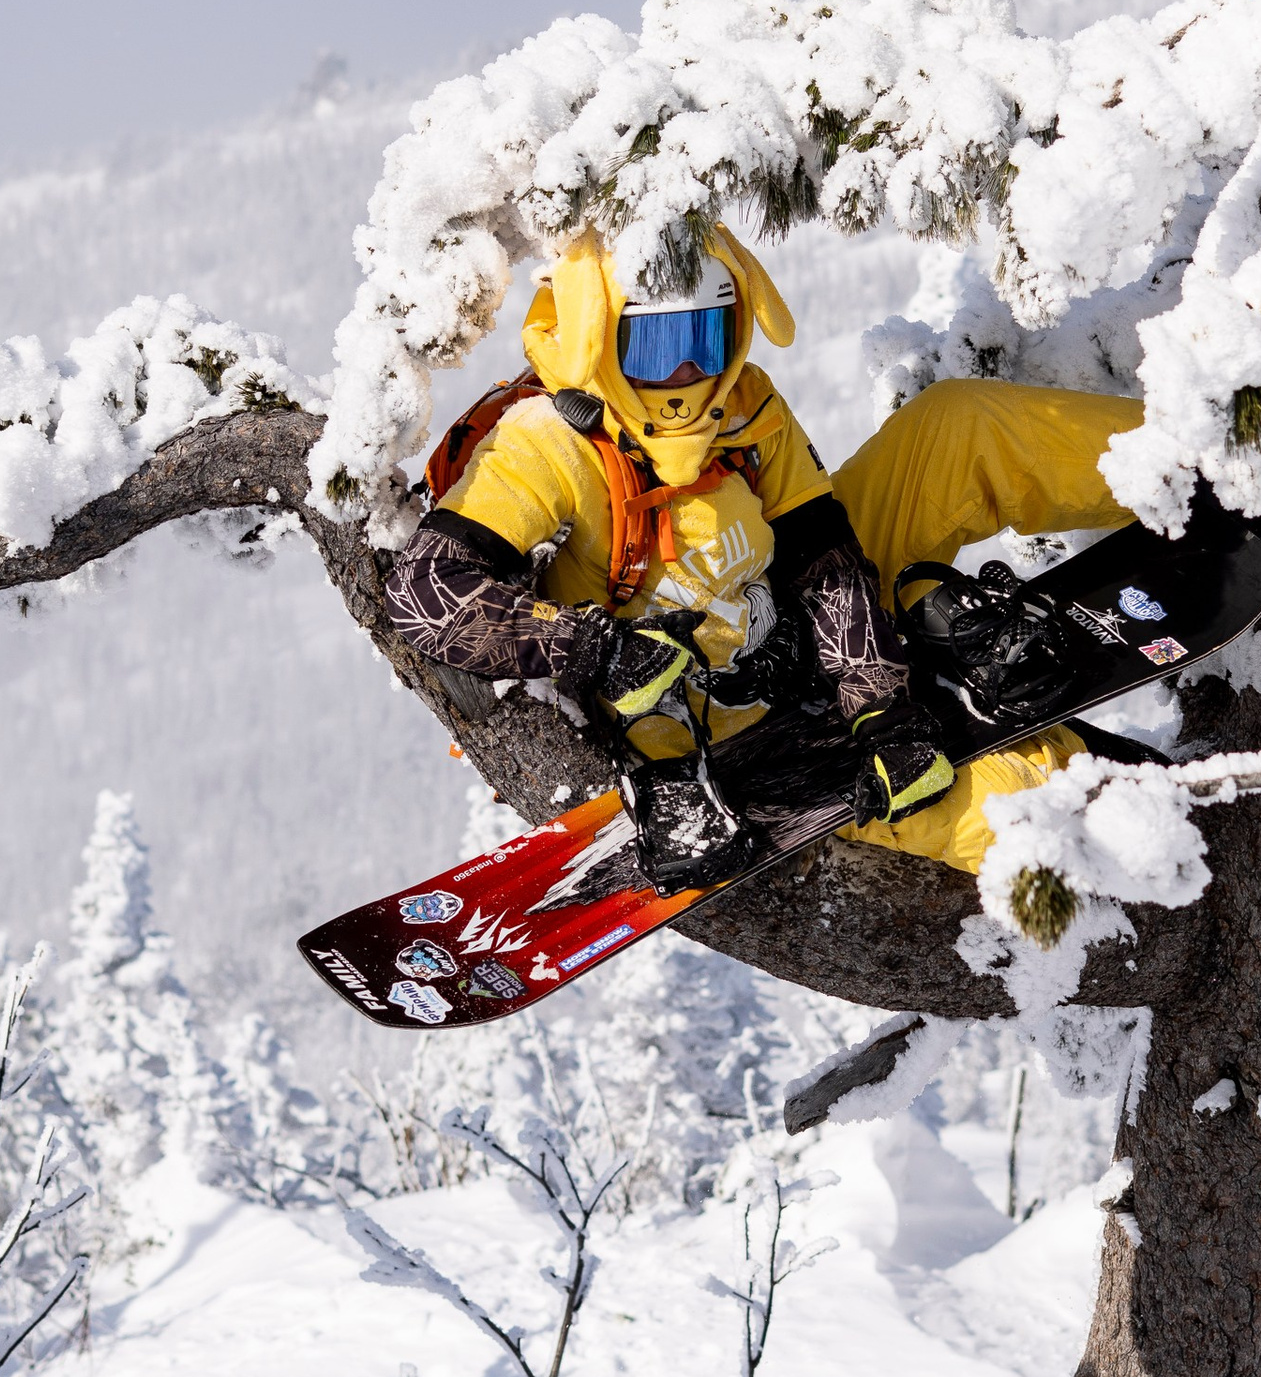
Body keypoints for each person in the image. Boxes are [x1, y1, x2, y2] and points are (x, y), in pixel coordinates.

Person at [381, 221, 1147, 886]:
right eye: (654, 346)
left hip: (798, 633)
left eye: (705, 338)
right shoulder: (546, 443)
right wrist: (594, 649)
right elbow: (423, 594)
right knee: (1003, 798)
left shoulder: (746, 408)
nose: (688, 374)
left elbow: (827, 559)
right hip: (718, 742)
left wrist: (880, 707)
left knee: (957, 426)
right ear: (599, 339)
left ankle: (1188, 454)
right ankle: (1146, 835)